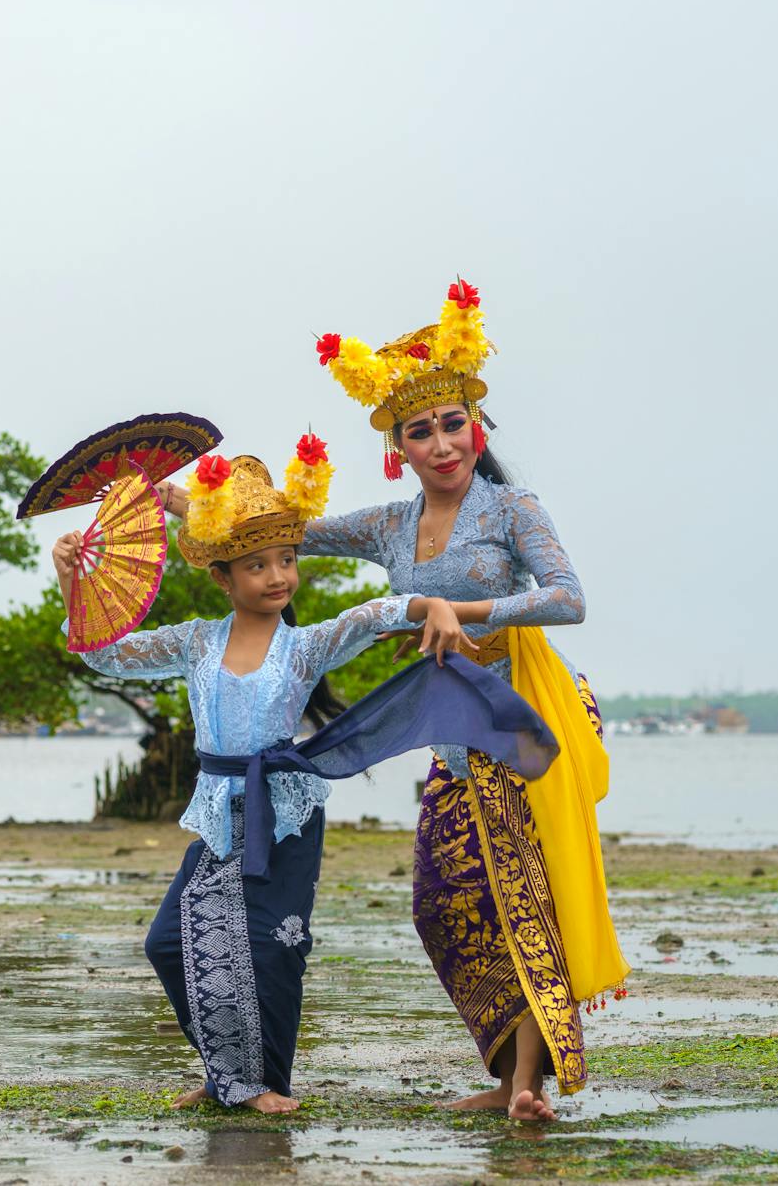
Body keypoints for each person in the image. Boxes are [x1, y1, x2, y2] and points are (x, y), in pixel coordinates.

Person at [59, 439, 554, 1114]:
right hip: (217, 809)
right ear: (223, 579)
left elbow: (371, 615)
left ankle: (267, 1083)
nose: (277, 576)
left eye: (287, 560)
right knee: (172, 938)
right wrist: (72, 580)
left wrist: (429, 606)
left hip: (285, 809)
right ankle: (226, 1070)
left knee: (273, 943)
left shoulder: (304, 644)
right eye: (257, 565)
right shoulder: (196, 640)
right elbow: (110, 656)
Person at [241, 279, 625, 1122]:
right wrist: (199, 508)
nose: (443, 442)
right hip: (449, 733)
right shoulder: (388, 525)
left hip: (520, 712)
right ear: (399, 449)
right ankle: (506, 1068)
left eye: (454, 423)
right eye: (422, 430)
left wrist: (468, 609)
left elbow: (569, 596)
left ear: (475, 428)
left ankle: (522, 1086)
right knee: (445, 901)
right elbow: (284, 533)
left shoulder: (511, 506)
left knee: (525, 895)